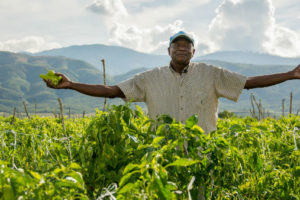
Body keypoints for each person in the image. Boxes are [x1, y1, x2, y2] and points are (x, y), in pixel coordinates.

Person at [44, 31, 300, 133]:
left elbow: (249, 82)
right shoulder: (149, 78)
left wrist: (290, 74)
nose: (182, 48)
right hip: (163, 152)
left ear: (193, 52)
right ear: (168, 51)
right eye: (176, 45)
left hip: (202, 153)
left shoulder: (211, 74)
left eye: (187, 45)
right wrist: (72, 84)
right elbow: (112, 91)